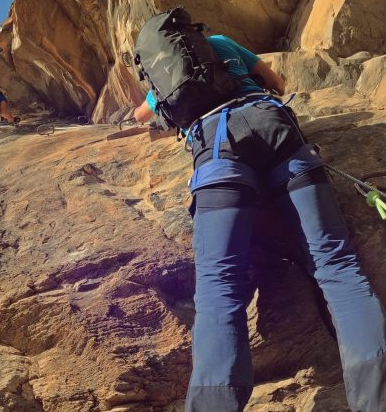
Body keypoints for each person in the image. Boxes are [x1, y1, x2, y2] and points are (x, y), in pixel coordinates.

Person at [134, 34, 386, 412]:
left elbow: (143, 115)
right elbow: (277, 82)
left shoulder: (165, 74)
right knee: (336, 264)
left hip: (217, 148)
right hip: (275, 127)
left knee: (219, 288)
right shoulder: (219, 41)